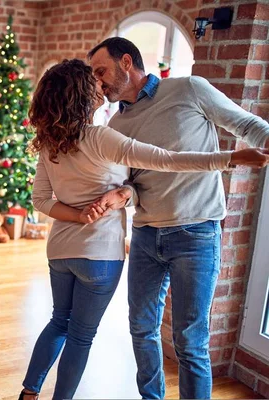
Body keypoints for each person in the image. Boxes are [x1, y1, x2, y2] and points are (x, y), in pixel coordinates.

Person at [17, 59, 268, 400]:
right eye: (92, 80)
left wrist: (85, 212)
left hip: (61, 250)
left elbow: (42, 200)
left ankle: (29, 394)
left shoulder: (50, 144)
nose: (99, 85)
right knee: (83, 335)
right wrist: (230, 159)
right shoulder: (106, 134)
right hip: (101, 253)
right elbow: (167, 160)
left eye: (100, 72)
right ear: (81, 96)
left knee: (60, 322)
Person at [87, 37, 269, 399]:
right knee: (141, 328)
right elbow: (135, 183)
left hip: (196, 235)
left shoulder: (189, 89)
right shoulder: (116, 127)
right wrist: (124, 193)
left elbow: (248, 125)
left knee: (189, 342)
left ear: (127, 62)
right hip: (145, 236)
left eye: (100, 71)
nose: (97, 82)